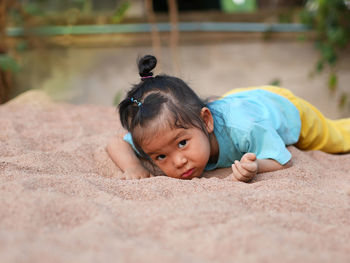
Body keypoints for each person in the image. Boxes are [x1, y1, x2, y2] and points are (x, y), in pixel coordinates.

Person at [107, 55, 350, 182]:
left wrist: (255, 167)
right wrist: (132, 166)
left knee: (335, 138)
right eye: (161, 156)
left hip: (283, 108)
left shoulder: (244, 128)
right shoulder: (160, 133)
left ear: (206, 120)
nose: (178, 161)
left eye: (182, 143)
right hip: (234, 101)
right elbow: (115, 143)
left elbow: (282, 160)